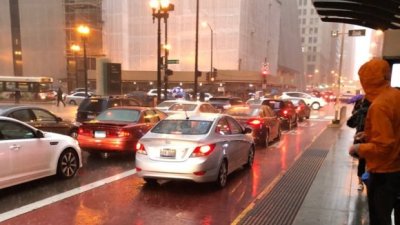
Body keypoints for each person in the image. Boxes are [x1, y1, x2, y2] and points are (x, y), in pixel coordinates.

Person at [348, 58, 400, 225]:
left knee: (379, 218)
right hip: (398, 167)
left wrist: (358, 148)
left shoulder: (379, 106)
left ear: (367, 80)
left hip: (384, 173)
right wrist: (368, 135)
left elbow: (383, 147)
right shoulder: (396, 96)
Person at [346, 96, 371, 191]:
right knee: (372, 162)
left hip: (360, 140)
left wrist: (356, 110)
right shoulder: (378, 111)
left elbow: (350, 123)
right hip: (375, 141)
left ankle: (360, 183)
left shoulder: (360, 111)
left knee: (362, 162)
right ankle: (369, 182)